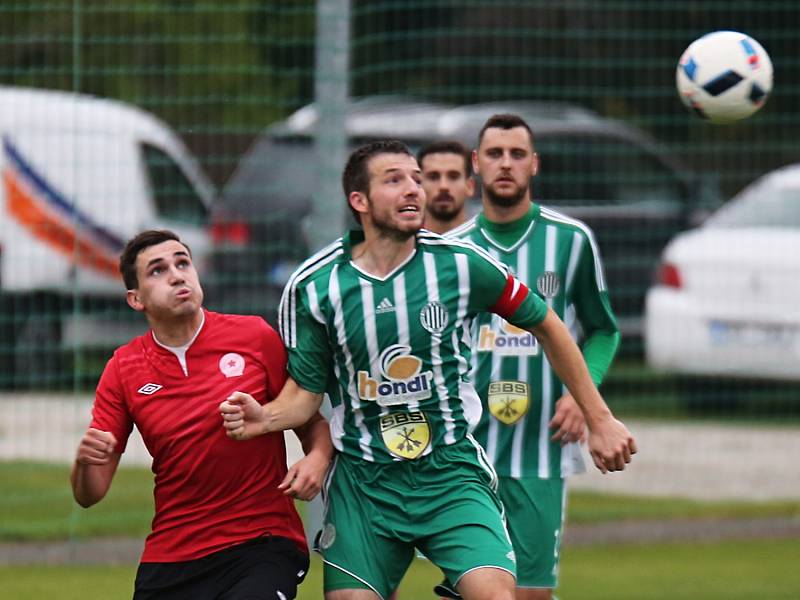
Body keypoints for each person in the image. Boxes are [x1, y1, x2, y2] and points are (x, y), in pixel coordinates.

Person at [219, 140, 637, 600]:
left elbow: (548, 324)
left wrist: (598, 418)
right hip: (365, 482)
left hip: (450, 471)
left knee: (497, 596)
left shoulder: (460, 264)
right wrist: (267, 418)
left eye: (416, 178)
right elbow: (305, 393)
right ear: (359, 201)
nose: (413, 190)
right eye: (394, 180)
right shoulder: (316, 286)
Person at [71, 229, 333, 600]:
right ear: (136, 298)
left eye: (183, 263)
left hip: (261, 542)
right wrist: (84, 463)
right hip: (172, 555)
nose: (177, 275)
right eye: (158, 271)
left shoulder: (254, 337)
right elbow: (90, 493)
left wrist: (317, 460)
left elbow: (312, 422)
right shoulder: (123, 368)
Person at [439, 114, 622, 600]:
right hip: (464, 456)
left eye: (517, 154)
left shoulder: (570, 240)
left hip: (539, 450)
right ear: (476, 164)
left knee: (531, 594)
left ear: (534, 165)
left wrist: (583, 397)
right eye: (495, 154)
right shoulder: (449, 251)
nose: (506, 164)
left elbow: (603, 331)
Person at [418, 140, 475, 234]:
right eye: (433, 177)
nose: (443, 186)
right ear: (419, 186)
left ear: (470, 186)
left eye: (453, 177)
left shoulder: (488, 246)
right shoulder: (402, 246)